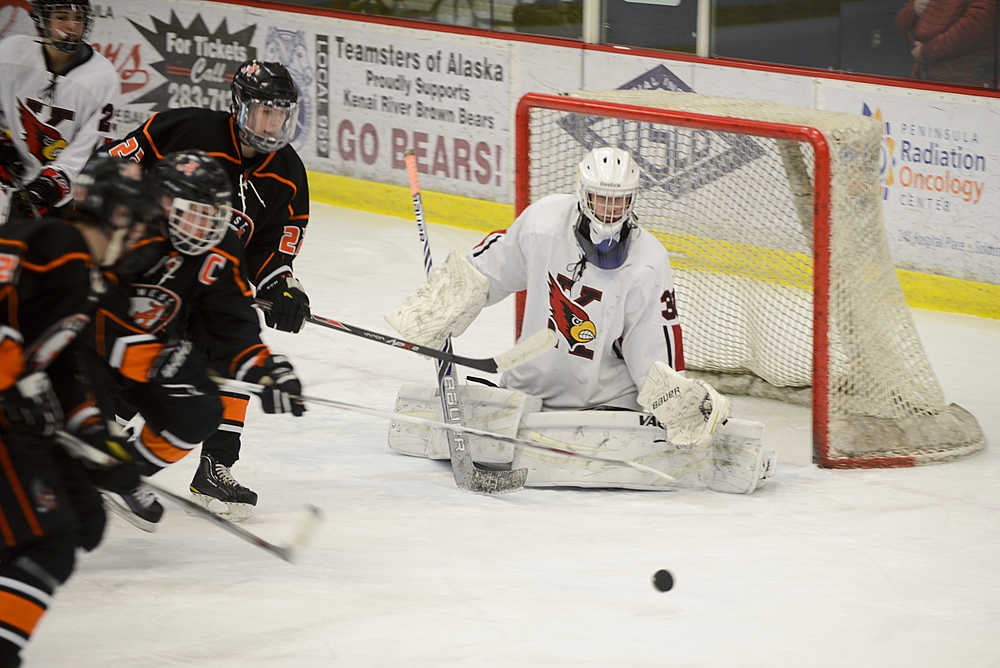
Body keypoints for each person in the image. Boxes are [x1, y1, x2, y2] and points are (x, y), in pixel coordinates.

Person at [385, 147, 774, 493]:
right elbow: (493, 267)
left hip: (603, 403)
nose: (608, 211)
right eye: (600, 199)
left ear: (632, 201)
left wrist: (673, 400)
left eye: (618, 202)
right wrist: (444, 303)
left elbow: (651, 348)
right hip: (530, 388)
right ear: (582, 193)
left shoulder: (648, 261)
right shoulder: (543, 223)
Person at [103, 59, 310, 515]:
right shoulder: (185, 128)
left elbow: (278, 248)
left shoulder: (289, 173)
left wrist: (282, 287)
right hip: (152, 269)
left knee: (234, 342)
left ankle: (215, 464)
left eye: (281, 113)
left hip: (214, 280)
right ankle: (104, 438)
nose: (273, 124)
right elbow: (113, 165)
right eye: (264, 111)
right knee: (136, 353)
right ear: (239, 106)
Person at [0, 155, 149, 667]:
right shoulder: (54, 245)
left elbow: (63, 371)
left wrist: (98, 439)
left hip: (10, 412)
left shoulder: (86, 279)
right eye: (136, 227)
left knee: (82, 519)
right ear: (119, 219)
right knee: (50, 540)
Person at [0, 1, 118, 219]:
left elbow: (94, 147)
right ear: (42, 20)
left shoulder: (102, 76)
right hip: (11, 181)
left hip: (63, 197)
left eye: (78, 18)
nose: (72, 26)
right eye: (62, 17)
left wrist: (52, 184)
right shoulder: (12, 53)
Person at [895, 0, 997, 88]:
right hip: (927, 77)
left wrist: (926, 51)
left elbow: (973, 28)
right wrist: (913, 9)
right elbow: (901, 26)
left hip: (965, 83)